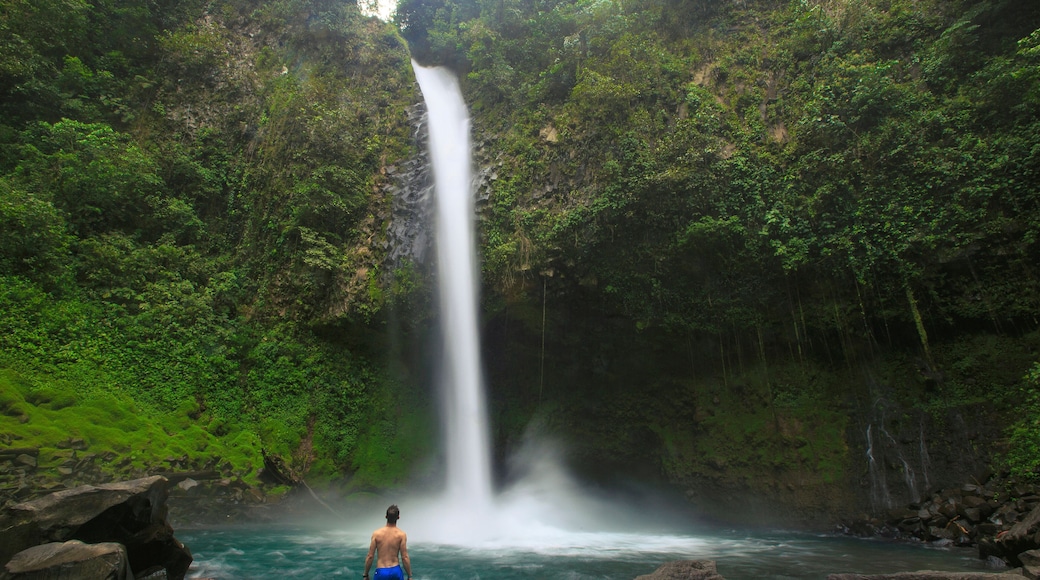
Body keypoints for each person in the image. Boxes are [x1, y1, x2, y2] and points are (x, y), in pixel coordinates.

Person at [363, 504, 412, 580]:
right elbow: (404, 557)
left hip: (381, 571)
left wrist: (366, 574)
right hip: (395, 571)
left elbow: (370, 556)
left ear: (386, 516)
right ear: (398, 517)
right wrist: (410, 576)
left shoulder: (376, 534)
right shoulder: (401, 535)